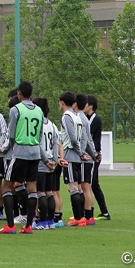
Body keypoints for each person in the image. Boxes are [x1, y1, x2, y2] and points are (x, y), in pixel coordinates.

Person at [0, 81, 43, 235]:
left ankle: (10, 225)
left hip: (20, 152)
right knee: (32, 188)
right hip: (35, 152)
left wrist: (3, 149)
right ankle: (29, 226)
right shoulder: (39, 110)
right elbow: (39, 135)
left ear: (19, 94)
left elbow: (11, 135)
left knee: (7, 186)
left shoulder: (16, 109)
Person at [58, 91, 91, 227]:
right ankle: (81, 216)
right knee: (77, 187)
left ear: (62, 103)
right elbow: (83, 137)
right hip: (77, 155)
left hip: (70, 155)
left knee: (73, 187)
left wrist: (78, 151)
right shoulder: (78, 116)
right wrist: (82, 152)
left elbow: (71, 137)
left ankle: (78, 218)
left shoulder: (66, 116)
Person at [32, 97, 58, 230]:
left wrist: (46, 161)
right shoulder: (52, 124)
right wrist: (54, 160)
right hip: (51, 162)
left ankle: (42, 222)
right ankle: (50, 221)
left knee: (40, 193)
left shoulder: (38, 124)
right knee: (49, 192)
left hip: (42, 162)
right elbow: (55, 143)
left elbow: (37, 143)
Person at [85, 94, 111, 220]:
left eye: (85, 103)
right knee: (93, 184)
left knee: (90, 184)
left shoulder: (95, 119)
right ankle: (103, 212)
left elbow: (86, 135)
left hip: (94, 155)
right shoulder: (86, 117)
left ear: (90, 106)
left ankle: (92, 211)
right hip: (91, 154)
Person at [74, 93, 98, 225]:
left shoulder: (80, 118)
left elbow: (85, 139)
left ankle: (87, 215)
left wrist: (83, 153)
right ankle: (89, 215)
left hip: (84, 157)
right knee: (87, 187)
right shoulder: (84, 118)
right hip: (88, 156)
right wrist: (94, 154)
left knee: (84, 187)